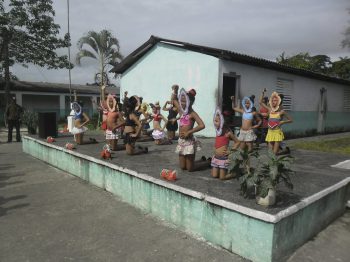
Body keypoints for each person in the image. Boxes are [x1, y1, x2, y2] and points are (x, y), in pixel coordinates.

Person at [175, 88, 205, 172]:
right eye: (181, 101)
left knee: (190, 169)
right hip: (181, 141)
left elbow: (202, 125)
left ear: (190, 102)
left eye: (184, 101)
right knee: (182, 167)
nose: (182, 103)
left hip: (189, 142)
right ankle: (199, 161)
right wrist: (175, 91)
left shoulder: (192, 113)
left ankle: (206, 162)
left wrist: (189, 132)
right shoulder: (181, 111)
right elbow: (174, 100)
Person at [259, 90, 293, 154]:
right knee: (270, 152)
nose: (273, 102)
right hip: (270, 132)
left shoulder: (282, 111)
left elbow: (291, 120)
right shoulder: (270, 109)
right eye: (272, 100)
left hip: (277, 132)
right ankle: (283, 151)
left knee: (274, 153)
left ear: (278, 102)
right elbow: (260, 102)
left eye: (275, 100)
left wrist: (283, 122)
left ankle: (282, 151)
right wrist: (262, 93)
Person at [211, 108, 239, 180]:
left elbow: (237, 142)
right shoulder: (217, 131)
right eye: (214, 120)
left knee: (222, 178)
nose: (214, 122)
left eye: (216, 121)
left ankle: (234, 173)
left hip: (223, 158)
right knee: (214, 175)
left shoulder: (228, 133)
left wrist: (231, 151)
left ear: (223, 121)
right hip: (216, 157)